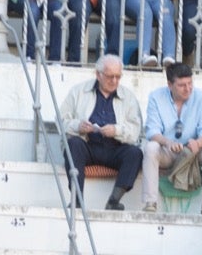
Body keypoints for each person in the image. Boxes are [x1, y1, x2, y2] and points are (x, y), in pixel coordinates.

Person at [139, 63, 202, 218]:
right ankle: (150, 203)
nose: (188, 88)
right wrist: (168, 143)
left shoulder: (201, 97)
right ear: (170, 85)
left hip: (193, 152)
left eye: (190, 83)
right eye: (182, 85)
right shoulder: (156, 96)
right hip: (167, 151)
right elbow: (152, 131)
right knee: (150, 147)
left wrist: (198, 143)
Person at [60, 56, 142, 212]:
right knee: (73, 145)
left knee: (135, 153)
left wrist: (116, 130)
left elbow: (136, 131)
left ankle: (114, 200)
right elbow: (61, 120)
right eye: (110, 76)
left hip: (116, 148)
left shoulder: (128, 97)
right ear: (98, 75)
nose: (114, 81)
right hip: (88, 145)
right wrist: (79, 126)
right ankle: (76, 200)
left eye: (118, 76)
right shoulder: (78, 91)